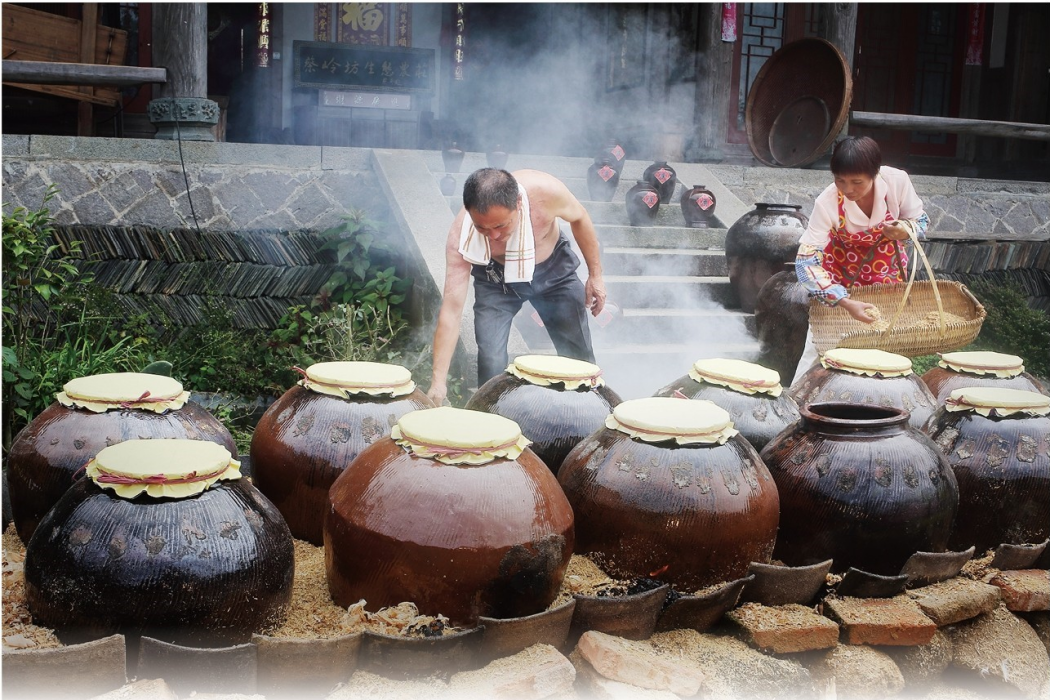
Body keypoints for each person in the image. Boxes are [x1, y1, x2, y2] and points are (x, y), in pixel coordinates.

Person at [427, 168, 606, 405]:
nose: (494, 236)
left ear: (519, 204)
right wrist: (438, 382)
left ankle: (590, 408)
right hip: (494, 277)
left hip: (554, 268)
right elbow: (451, 310)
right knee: (490, 354)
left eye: (501, 225)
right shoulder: (461, 235)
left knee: (578, 352)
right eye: (482, 228)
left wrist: (595, 276)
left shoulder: (545, 192)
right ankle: (491, 416)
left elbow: (580, 218)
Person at [791, 136, 930, 385]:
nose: (847, 189)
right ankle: (795, 405)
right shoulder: (827, 201)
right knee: (818, 350)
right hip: (838, 281)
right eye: (839, 180)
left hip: (885, 281)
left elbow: (921, 222)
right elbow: (806, 261)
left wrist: (904, 230)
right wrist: (843, 301)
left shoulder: (897, 182)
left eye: (857, 182)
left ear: (875, 174)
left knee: (884, 353)